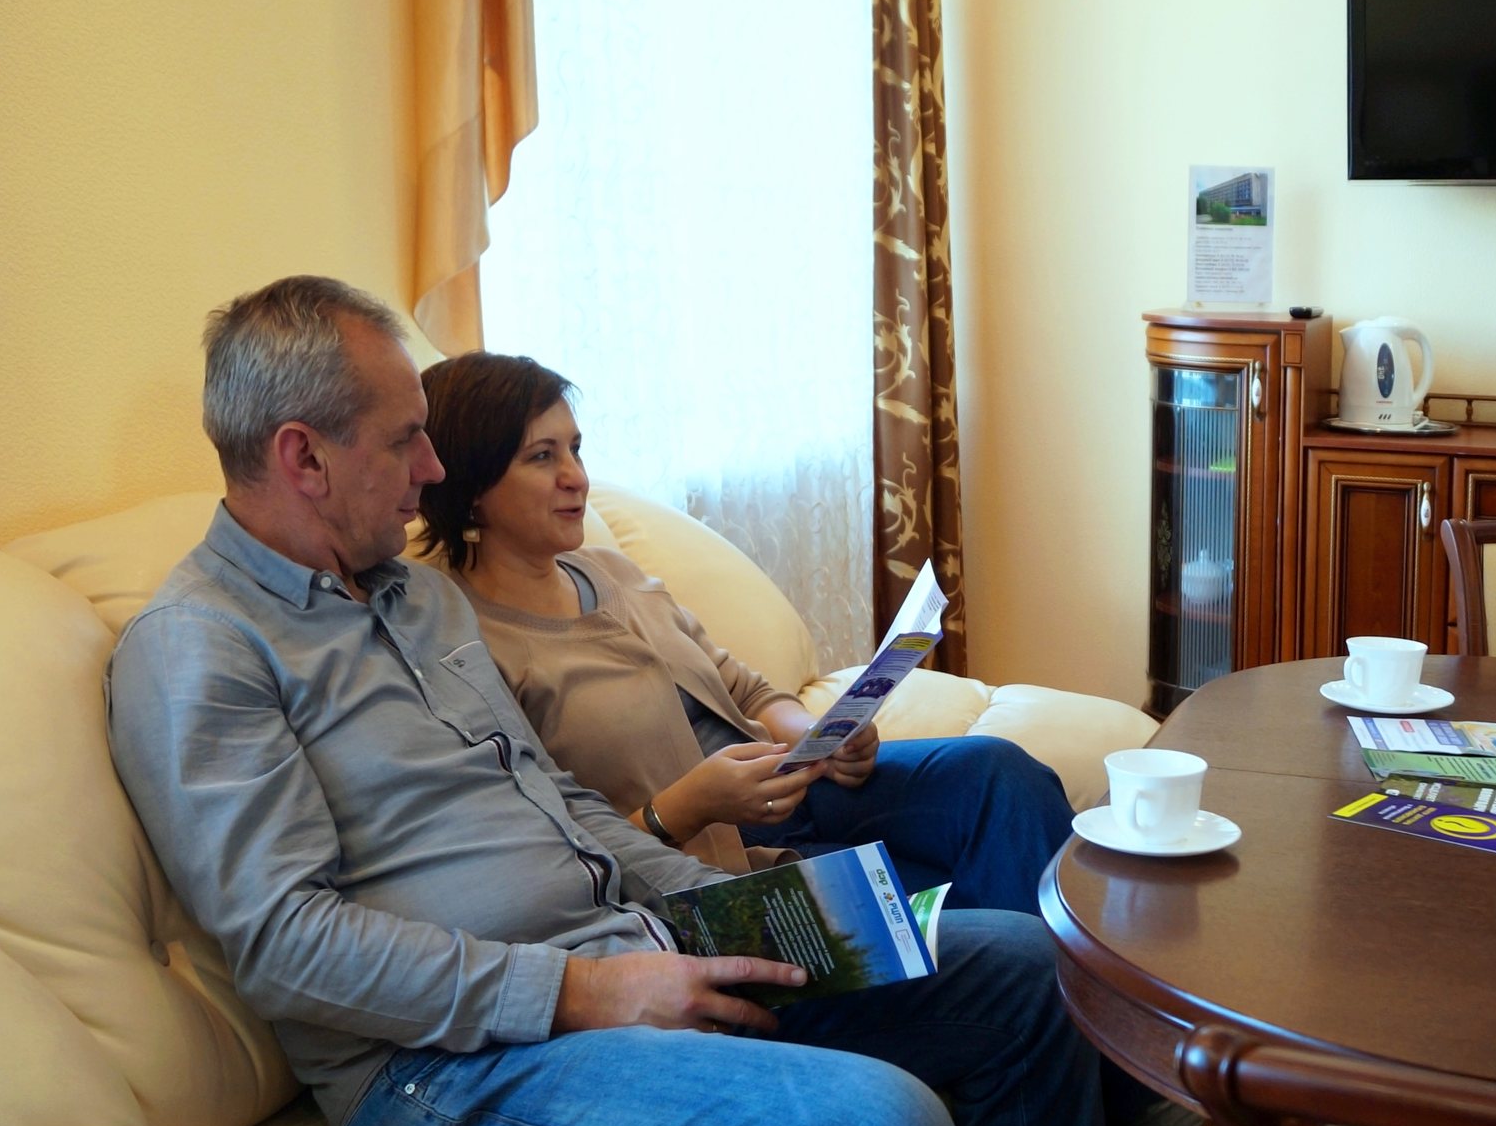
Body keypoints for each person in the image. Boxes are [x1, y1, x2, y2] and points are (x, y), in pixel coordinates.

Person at [105, 276, 1112, 1126]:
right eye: (405, 439)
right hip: (448, 1069)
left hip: (635, 942)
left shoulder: (416, 600)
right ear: (303, 457)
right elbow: (285, 945)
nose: (434, 468)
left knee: (1032, 970)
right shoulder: (202, 647)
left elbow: (553, 800)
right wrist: (586, 991)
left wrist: (719, 905)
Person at [412, 350, 1074, 913]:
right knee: (993, 916)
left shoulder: (612, 572)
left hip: (792, 794)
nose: (575, 477)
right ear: (471, 485)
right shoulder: (470, 648)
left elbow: (746, 689)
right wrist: (691, 805)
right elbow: (550, 863)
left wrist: (821, 738)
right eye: (542, 457)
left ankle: (1085, 1003)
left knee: (1000, 774)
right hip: (703, 868)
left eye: (576, 449)